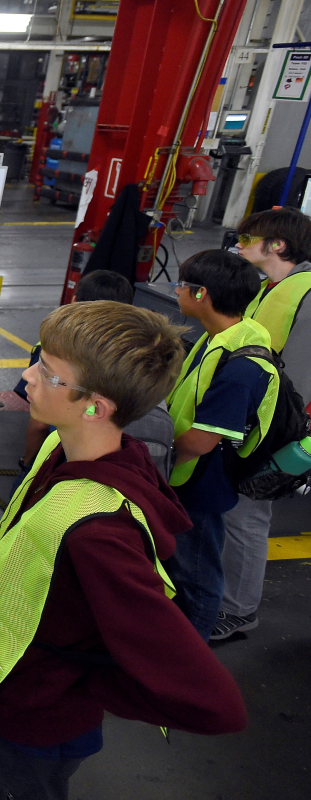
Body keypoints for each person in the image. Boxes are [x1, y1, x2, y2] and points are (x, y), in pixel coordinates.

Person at [0, 302, 246, 800]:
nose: (26, 375)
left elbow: (216, 702)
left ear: (96, 406)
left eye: (47, 372)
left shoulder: (101, 534)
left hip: (33, 727)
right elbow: (33, 544)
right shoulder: (63, 448)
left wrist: (80, 681)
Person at [166, 250, 280, 640]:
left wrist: (154, 451)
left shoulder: (241, 368)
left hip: (201, 482)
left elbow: (200, 440)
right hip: (190, 474)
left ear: (202, 294)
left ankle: (191, 648)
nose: (176, 291)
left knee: (196, 570)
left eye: (181, 284)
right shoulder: (219, 338)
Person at [216, 209, 311, 640]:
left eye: (247, 236)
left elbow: (301, 384)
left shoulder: (304, 293)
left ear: (278, 245)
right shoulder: (273, 288)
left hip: (279, 426)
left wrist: (281, 438)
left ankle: (238, 610)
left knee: (248, 516)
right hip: (259, 415)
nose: (239, 241)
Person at [17, 269, 136, 468]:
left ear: (74, 301)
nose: (29, 375)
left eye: (44, 369)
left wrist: (27, 463)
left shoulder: (56, 349)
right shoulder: (133, 357)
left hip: (61, 455)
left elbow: (39, 424)